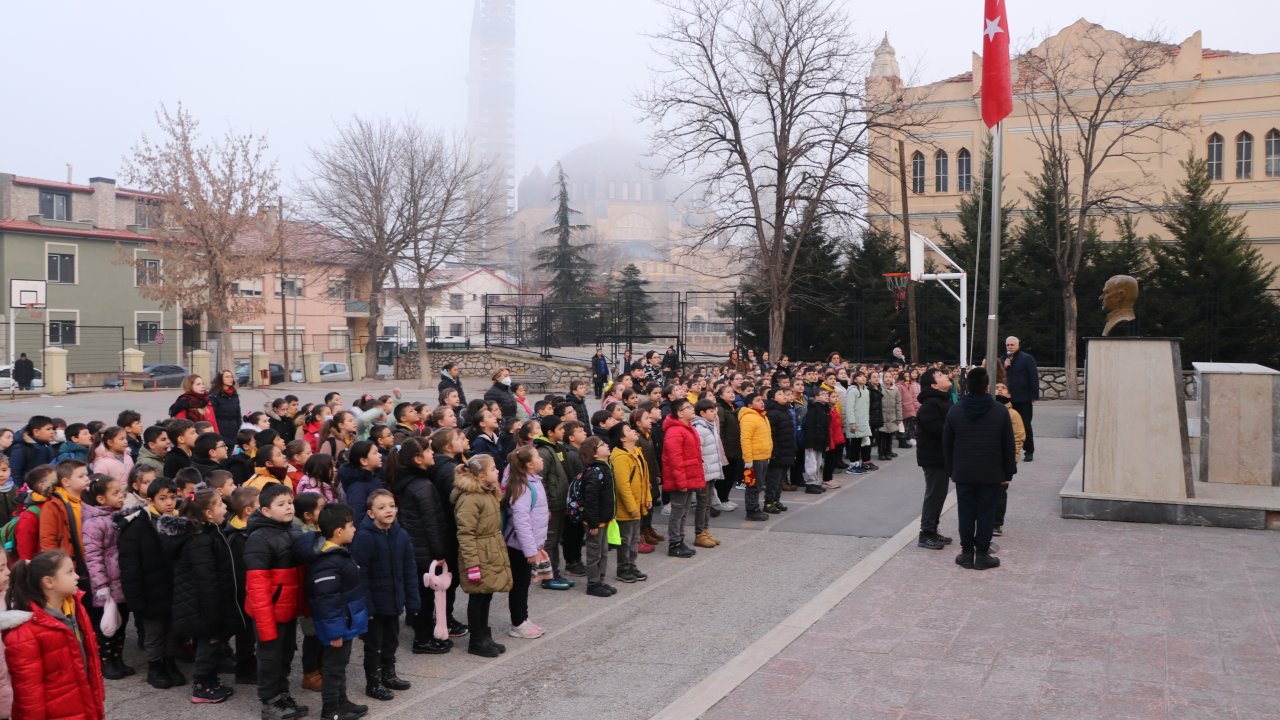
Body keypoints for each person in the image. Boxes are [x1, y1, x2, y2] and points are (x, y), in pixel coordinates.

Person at [159, 489, 242, 704]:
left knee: (211, 643)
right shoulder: (200, 540)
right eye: (220, 505)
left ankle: (210, 679)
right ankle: (201, 686)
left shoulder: (209, 531)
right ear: (208, 513)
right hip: (203, 606)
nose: (225, 507)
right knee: (209, 643)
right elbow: (206, 580)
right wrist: (214, 613)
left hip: (203, 603)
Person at [4, 550, 106, 720]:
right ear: (49, 582)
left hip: (85, 706)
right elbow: (29, 694)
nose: (77, 576)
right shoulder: (25, 633)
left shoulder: (75, 611)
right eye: (69, 572)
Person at [385, 438, 454, 656]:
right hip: (424, 551)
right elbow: (432, 523)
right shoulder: (422, 486)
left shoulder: (410, 482)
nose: (433, 453)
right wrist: (440, 553)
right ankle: (422, 640)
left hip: (415, 548)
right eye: (428, 451)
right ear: (417, 458)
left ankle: (423, 634)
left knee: (420, 595)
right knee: (423, 597)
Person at [245, 483, 308, 720]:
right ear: (266, 511)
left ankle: (282, 694)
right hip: (268, 611)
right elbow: (257, 586)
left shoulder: (294, 530)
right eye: (281, 504)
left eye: (290, 502)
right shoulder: (259, 538)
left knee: (285, 655)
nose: (289, 507)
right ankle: (269, 701)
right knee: (269, 657)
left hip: (288, 610)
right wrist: (265, 620)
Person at [943, 367, 1016, 571]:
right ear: (987, 386)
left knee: (965, 512)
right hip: (991, 472)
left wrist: (952, 470)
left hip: (964, 472)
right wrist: (1008, 473)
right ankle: (982, 555)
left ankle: (966, 553)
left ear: (966, 386)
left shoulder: (955, 410)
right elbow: (1008, 445)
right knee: (986, 513)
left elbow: (946, 444)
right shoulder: (1000, 411)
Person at [301, 503, 369, 720]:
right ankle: (330, 710)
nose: (355, 529)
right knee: (333, 667)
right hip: (337, 625)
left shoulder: (338, 553)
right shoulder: (327, 562)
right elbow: (327, 600)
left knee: (341, 663)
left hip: (344, 622)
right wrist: (335, 632)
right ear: (339, 531)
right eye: (351, 525)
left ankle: (342, 702)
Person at [349, 490, 416, 703]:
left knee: (391, 640)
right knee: (373, 644)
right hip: (374, 605)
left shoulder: (401, 535)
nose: (388, 510)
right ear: (370, 513)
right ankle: (373, 681)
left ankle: (389, 673)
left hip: (394, 600)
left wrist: (412, 599)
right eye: (381, 507)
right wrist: (366, 607)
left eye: (391, 505)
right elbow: (361, 575)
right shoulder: (364, 538)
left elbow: (409, 569)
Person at [119, 477, 182, 689]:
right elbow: (129, 566)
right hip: (150, 590)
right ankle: (155, 666)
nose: (169, 503)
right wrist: (135, 599)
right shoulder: (137, 526)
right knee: (154, 632)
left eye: (172, 497)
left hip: (174, 587)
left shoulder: (179, 522)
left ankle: (170, 662)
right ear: (150, 500)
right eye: (162, 498)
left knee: (172, 629)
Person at [451, 454, 513, 658]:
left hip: (490, 548)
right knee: (478, 597)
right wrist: (472, 565)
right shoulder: (470, 498)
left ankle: (485, 635)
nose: (497, 471)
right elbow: (465, 534)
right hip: (478, 553)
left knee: (486, 594)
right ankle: (476, 640)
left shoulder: (488, 492)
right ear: (480, 475)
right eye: (494, 468)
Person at [502, 446, 549, 639]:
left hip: (528, 544)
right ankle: (518, 622)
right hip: (519, 546)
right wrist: (530, 551)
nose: (541, 459)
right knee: (519, 585)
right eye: (538, 457)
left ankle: (523, 618)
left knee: (523, 584)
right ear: (529, 464)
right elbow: (521, 522)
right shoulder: (522, 487)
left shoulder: (532, 481)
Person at [914, 368, 954, 551]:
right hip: (933, 456)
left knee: (939, 494)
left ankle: (932, 529)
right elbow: (938, 430)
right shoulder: (931, 404)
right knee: (934, 494)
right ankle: (926, 533)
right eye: (940, 375)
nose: (946, 375)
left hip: (941, 456)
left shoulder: (943, 400)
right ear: (934, 385)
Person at [532, 417, 572, 591]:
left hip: (560, 502)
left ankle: (555, 572)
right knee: (550, 541)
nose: (563, 431)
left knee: (556, 541)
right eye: (560, 428)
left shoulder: (557, 448)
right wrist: (546, 507)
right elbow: (542, 481)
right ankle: (548, 577)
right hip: (551, 505)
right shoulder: (544, 452)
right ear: (550, 432)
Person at [661, 398, 705, 558]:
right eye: (688, 407)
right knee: (678, 511)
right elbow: (675, 460)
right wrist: (681, 482)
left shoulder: (686, 428)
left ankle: (680, 540)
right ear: (680, 413)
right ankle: (674, 544)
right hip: (681, 479)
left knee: (684, 510)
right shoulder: (675, 431)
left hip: (688, 477)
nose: (692, 409)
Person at [577, 437, 616, 598]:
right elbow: (591, 500)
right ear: (595, 453)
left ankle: (600, 580)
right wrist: (593, 523)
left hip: (604, 518)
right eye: (602, 445)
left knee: (603, 552)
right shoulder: (595, 471)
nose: (607, 445)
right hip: (595, 521)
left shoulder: (605, 467)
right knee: (594, 553)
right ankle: (592, 583)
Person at [993, 382, 1026, 538]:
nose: (999, 389)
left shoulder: (1013, 414)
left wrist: (1013, 460)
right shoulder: (988, 410)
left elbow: (1018, 438)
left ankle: (996, 523)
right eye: (997, 387)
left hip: (1003, 459)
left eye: (1003, 388)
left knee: (1000, 493)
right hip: (988, 459)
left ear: (1009, 394)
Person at [690, 399, 723, 548]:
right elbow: (698, 452)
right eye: (711, 410)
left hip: (712, 471)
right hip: (704, 471)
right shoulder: (699, 428)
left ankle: (706, 529)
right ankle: (699, 534)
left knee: (708, 503)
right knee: (702, 503)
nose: (714, 412)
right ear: (702, 413)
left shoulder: (711, 426)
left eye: (715, 409)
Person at [1001, 336, 1039, 462]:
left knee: (1025, 424)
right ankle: (1008, 450)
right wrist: (1004, 366)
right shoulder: (1002, 359)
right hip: (1006, 398)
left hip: (1023, 398)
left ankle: (1029, 451)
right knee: (1006, 425)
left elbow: (1033, 377)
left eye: (1012, 345)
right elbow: (998, 376)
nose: (1010, 347)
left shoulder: (1027, 358)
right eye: (1008, 345)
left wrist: (1034, 395)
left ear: (1018, 345)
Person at [737, 393, 773, 521]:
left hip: (763, 456)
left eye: (761, 400)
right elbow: (745, 439)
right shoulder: (748, 417)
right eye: (758, 400)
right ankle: (752, 510)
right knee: (752, 485)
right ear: (750, 405)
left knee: (758, 485)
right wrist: (748, 459)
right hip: (753, 458)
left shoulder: (762, 415)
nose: (762, 402)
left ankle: (755, 507)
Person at [763, 388, 795, 515]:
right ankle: (768, 502)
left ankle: (776, 500)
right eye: (780, 394)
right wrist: (774, 452)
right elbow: (772, 435)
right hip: (778, 451)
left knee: (781, 479)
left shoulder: (785, 410)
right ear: (773, 398)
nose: (784, 396)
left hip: (786, 450)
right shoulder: (772, 413)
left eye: (784, 394)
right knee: (773, 479)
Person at [9, 415, 56, 485]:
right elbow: (15, 473)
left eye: (52, 429)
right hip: (27, 489)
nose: (52, 432)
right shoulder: (21, 447)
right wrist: (20, 492)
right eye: (48, 429)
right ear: (36, 432)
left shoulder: (47, 446)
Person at [211, 369, 243, 449]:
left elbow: (238, 414)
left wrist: (238, 426)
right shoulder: (214, 395)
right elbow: (212, 415)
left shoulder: (234, 395)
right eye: (227, 377)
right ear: (221, 379)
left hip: (233, 432)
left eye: (231, 377)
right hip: (220, 431)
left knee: (229, 456)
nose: (230, 379)